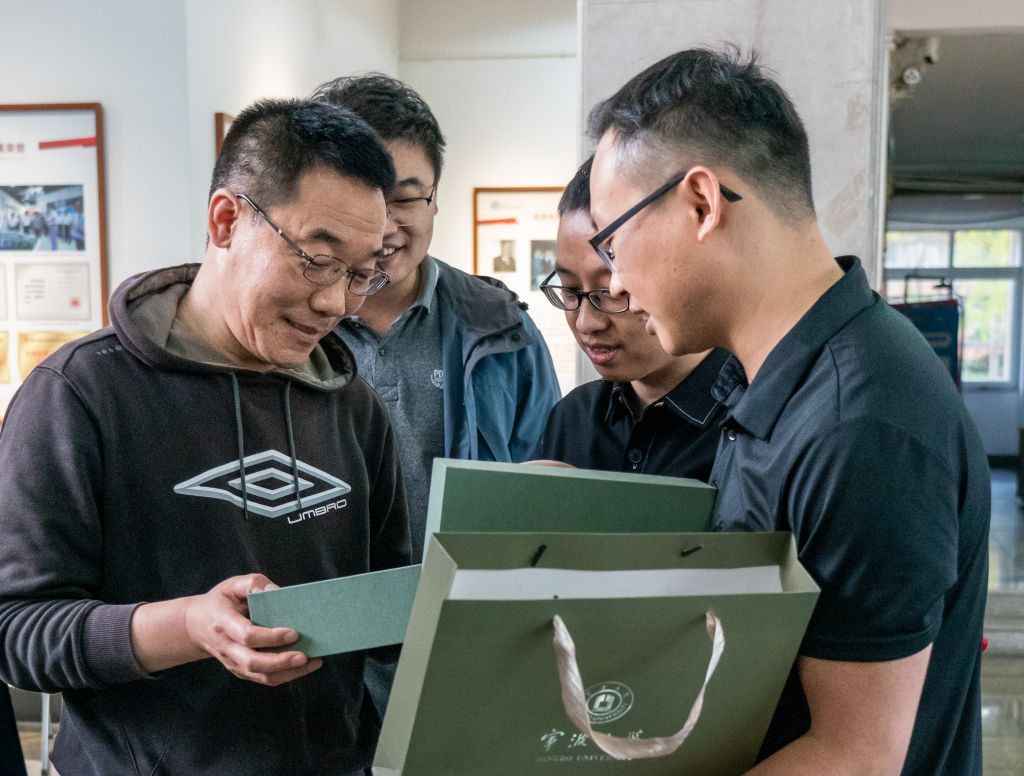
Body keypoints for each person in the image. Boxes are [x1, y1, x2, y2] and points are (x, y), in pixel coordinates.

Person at [588, 47, 989, 775]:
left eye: (612, 241)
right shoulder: (779, 375)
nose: (613, 284)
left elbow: (855, 755)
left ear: (701, 203)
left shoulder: (860, 424)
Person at [0, 98, 410, 776]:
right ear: (226, 221)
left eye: (361, 273)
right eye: (317, 260)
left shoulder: (350, 403)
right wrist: (189, 625)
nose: (335, 303)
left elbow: (388, 605)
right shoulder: (81, 393)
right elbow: (18, 630)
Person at [313, 74, 561, 557]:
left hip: (468, 593)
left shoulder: (501, 327)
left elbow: (545, 490)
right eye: (363, 198)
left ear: (435, 197)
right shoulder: (291, 324)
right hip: (329, 596)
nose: (384, 226)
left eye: (405, 198)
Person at [531, 156, 729, 478]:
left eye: (611, 292)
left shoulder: (750, 420)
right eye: (569, 291)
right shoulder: (572, 418)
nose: (586, 323)